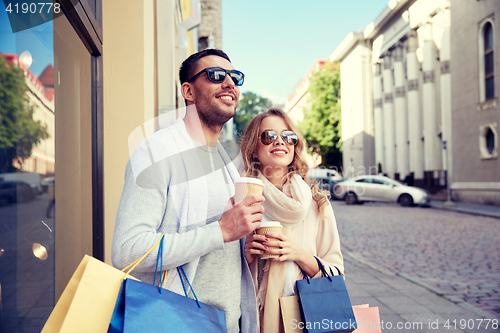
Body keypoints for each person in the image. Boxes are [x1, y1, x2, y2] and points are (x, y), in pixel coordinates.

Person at [111, 49, 264, 333]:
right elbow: (126, 250)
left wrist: (245, 247)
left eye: (235, 77)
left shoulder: (226, 163)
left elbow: (220, 250)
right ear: (188, 91)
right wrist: (220, 231)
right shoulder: (157, 151)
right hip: (178, 323)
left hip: (231, 324)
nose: (230, 83)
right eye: (216, 75)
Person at [240, 109, 344, 333]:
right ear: (254, 149)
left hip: (302, 318)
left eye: (289, 137)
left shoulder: (316, 202)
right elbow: (222, 272)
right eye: (269, 136)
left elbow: (337, 273)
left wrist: (299, 254)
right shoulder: (242, 199)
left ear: (294, 146)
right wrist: (246, 256)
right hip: (251, 320)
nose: (280, 142)